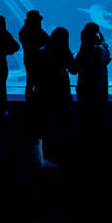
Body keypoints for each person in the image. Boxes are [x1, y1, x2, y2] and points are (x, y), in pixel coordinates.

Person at [33, 27, 76, 158]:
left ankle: (46, 150)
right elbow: (74, 70)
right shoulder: (64, 52)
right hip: (61, 87)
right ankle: (63, 149)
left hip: (45, 90)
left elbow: (36, 72)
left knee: (46, 120)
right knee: (63, 119)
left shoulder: (42, 51)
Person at [74, 23, 111, 129]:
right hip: (99, 85)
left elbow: (76, 67)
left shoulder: (84, 50)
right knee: (99, 111)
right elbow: (106, 59)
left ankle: (86, 131)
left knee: (86, 112)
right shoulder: (101, 48)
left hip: (85, 84)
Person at [18, 10, 49, 102]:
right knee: (37, 81)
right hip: (37, 59)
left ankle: (30, 101)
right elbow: (48, 41)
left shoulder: (24, 31)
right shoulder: (37, 31)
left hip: (29, 58)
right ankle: (36, 102)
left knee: (30, 81)